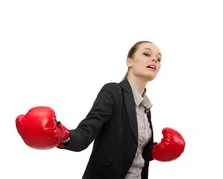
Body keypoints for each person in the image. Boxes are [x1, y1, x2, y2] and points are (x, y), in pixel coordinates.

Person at [16, 41, 186, 179]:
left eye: (159, 58)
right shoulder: (113, 92)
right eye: (147, 54)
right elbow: (84, 136)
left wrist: (153, 152)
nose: (155, 60)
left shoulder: (146, 108)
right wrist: (61, 135)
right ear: (129, 61)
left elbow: (129, 151)